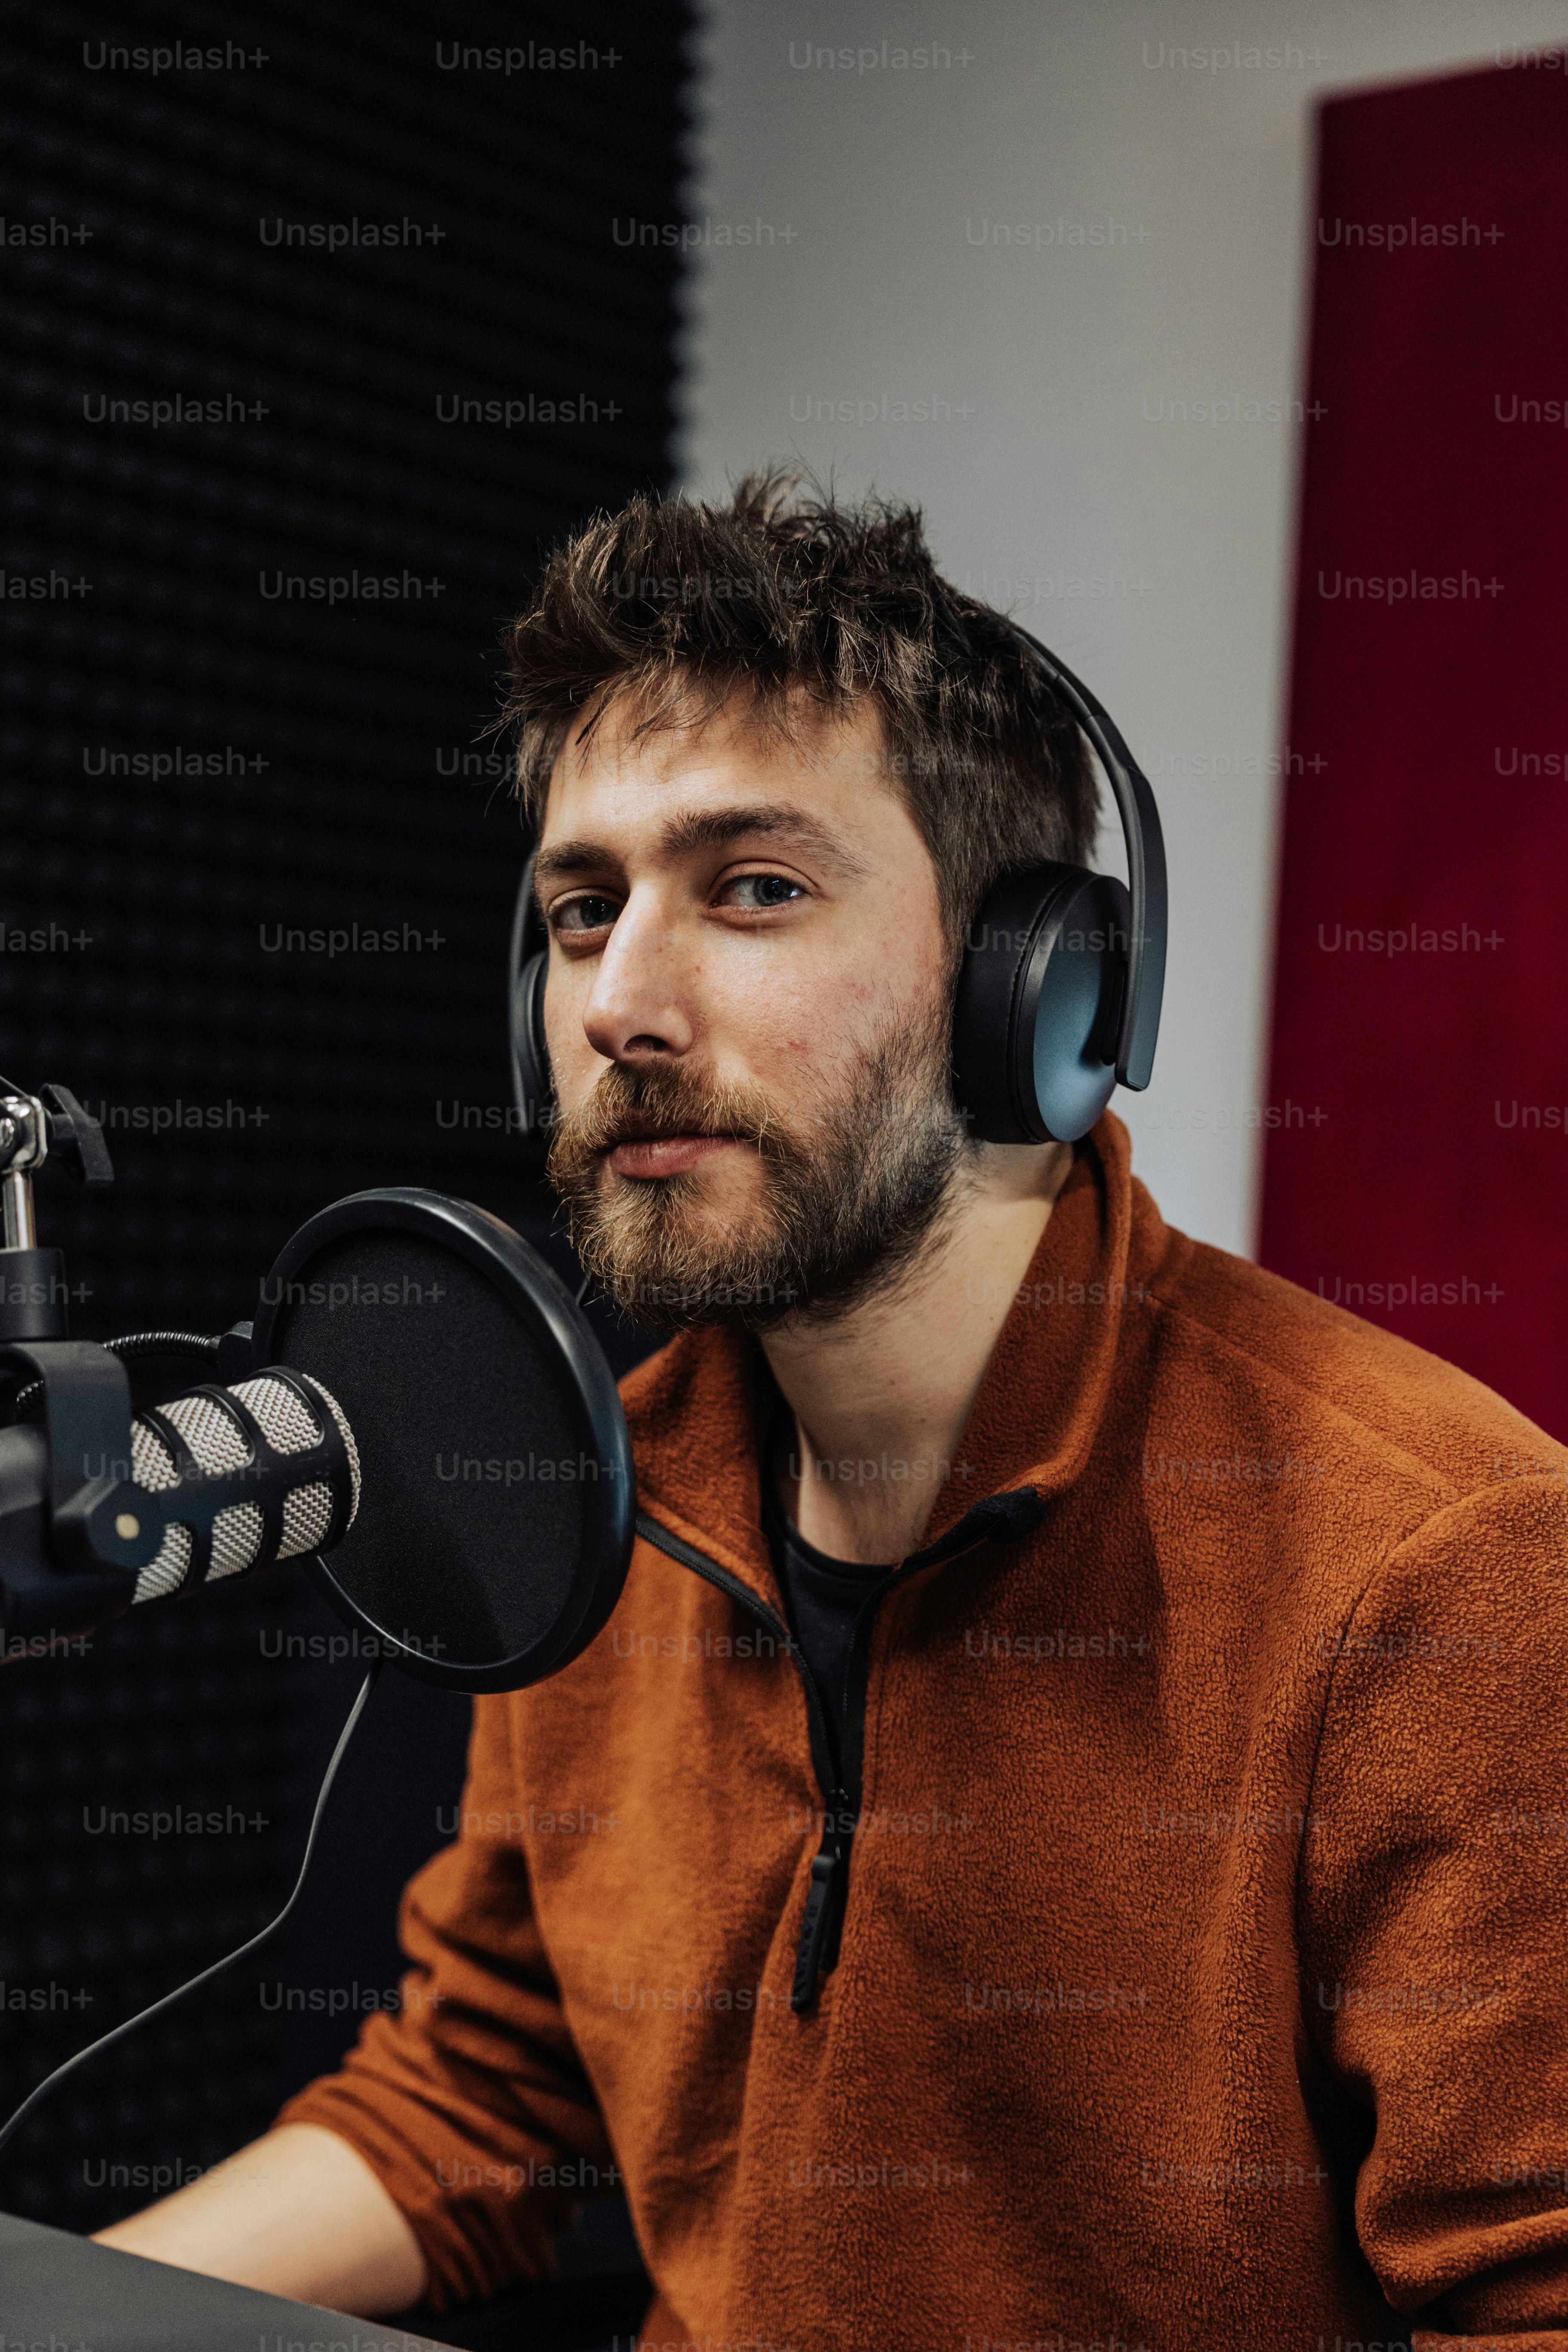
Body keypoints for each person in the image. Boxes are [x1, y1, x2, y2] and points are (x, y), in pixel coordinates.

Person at [95, 476, 1568, 2349]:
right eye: (577, 911)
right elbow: (463, 2113)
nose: (622, 1001)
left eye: (755, 890)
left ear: (1039, 988)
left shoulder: (1438, 1574)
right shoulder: (587, 1503)